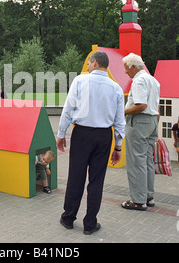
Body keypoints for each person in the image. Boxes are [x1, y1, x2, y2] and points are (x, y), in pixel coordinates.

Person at [57, 51, 125, 235]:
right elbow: (120, 121)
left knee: (76, 177)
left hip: (82, 134)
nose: (86, 66)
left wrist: (61, 133)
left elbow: (68, 108)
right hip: (104, 136)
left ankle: (68, 218)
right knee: (96, 180)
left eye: (88, 63)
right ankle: (90, 223)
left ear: (94, 62)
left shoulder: (80, 81)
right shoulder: (116, 88)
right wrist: (118, 146)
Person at [121, 53, 160, 211]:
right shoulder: (153, 80)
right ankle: (148, 196)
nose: (125, 72)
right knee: (147, 160)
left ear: (133, 67)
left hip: (139, 122)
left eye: (126, 68)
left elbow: (140, 105)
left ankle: (138, 200)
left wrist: (123, 111)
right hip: (152, 121)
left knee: (136, 161)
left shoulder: (138, 81)